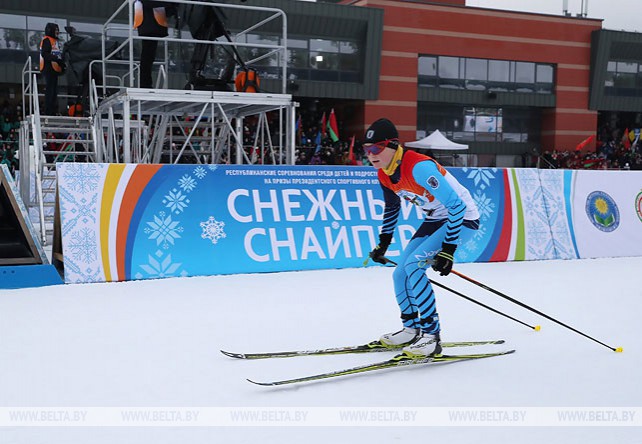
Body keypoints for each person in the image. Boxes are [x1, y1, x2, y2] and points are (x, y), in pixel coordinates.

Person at [365, 118, 480, 358]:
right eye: (367, 149)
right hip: (435, 219)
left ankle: (431, 336)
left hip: (463, 218)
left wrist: (448, 251)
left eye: (376, 148)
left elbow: (457, 207)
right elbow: (392, 209)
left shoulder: (419, 167)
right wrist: (383, 244)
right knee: (400, 272)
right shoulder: (384, 174)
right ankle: (411, 329)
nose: (371, 154)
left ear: (393, 145)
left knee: (414, 265)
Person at [134, 0, 176, 88]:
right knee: (147, 56)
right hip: (148, 25)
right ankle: (145, 84)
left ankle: (145, 83)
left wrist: (173, 5)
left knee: (149, 56)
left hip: (152, 25)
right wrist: (172, 3)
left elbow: (166, 11)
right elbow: (152, 3)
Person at [40, 23, 65, 115]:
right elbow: (45, 54)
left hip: (54, 69)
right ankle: (49, 111)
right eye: (56, 30)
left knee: (54, 91)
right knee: (50, 91)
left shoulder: (54, 41)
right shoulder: (47, 40)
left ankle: (53, 110)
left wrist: (61, 64)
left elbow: (56, 55)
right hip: (48, 68)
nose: (57, 32)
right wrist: (56, 59)